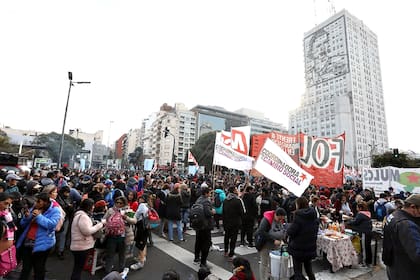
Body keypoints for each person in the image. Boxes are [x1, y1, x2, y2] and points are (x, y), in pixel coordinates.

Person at [16, 192, 61, 280]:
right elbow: (22, 224)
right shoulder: (34, 208)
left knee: (39, 268)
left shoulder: (55, 210)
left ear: (45, 202)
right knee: (26, 268)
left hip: (42, 244)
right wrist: (27, 217)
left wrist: (39, 217)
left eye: (38, 201)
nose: (36, 203)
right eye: (36, 201)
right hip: (28, 242)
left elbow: (52, 225)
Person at [382, 194, 420, 279]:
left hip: (393, 265)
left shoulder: (395, 214)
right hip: (406, 270)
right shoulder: (406, 225)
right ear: (413, 207)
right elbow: (418, 255)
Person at [70, 198, 104, 280]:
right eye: (92, 206)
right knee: (78, 268)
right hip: (81, 247)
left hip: (78, 246)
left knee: (77, 267)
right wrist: (100, 224)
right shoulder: (83, 217)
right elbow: (87, 231)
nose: (93, 207)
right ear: (88, 207)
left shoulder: (80, 215)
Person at [287, 196, 318, 280]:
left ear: (299, 205)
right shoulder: (314, 215)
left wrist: (289, 225)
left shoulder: (298, 217)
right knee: (309, 270)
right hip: (309, 247)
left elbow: (291, 232)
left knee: (298, 272)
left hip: (298, 248)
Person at [256, 207, 287, 280]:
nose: (280, 220)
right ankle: (263, 278)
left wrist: (282, 240)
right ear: (276, 215)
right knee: (264, 263)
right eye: (279, 219)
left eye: (282, 219)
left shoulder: (280, 220)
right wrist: (273, 241)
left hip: (275, 245)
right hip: (265, 244)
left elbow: (282, 230)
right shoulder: (266, 219)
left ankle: (269, 277)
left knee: (272, 262)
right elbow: (261, 232)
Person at [345, 201, 372, 267]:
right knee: (367, 247)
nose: (356, 208)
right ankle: (369, 261)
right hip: (368, 232)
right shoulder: (368, 213)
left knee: (364, 247)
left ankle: (365, 263)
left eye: (357, 207)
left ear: (360, 208)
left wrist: (348, 222)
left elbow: (355, 222)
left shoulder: (360, 214)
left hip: (364, 232)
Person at [193, 186, 215, 269]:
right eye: (209, 192)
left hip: (198, 224)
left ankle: (196, 257)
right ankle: (203, 262)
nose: (210, 194)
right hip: (205, 225)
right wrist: (212, 211)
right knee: (206, 243)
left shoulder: (198, 199)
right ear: (206, 193)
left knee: (198, 241)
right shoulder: (206, 201)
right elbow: (208, 213)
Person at [222, 186, 244, 260]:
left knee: (227, 236)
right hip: (235, 222)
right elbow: (242, 212)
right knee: (233, 238)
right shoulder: (237, 200)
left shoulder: (225, 200)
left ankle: (225, 251)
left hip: (226, 221)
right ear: (234, 191)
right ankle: (231, 254)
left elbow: (223, 212)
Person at [0, 192, 17, 278]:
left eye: (9, 204)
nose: (7, 207)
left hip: (5, 254)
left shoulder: (6, 215)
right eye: (5, 203)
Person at [131, 195, 149, 270]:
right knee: (144, 243)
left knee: (140, 244)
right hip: (146, 226)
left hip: (141, 227)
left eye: (141, 198)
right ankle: (142, 257)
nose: (139, 199)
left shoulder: (142, 205)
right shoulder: (148, 205)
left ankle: (140, 262)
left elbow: (136, 215)